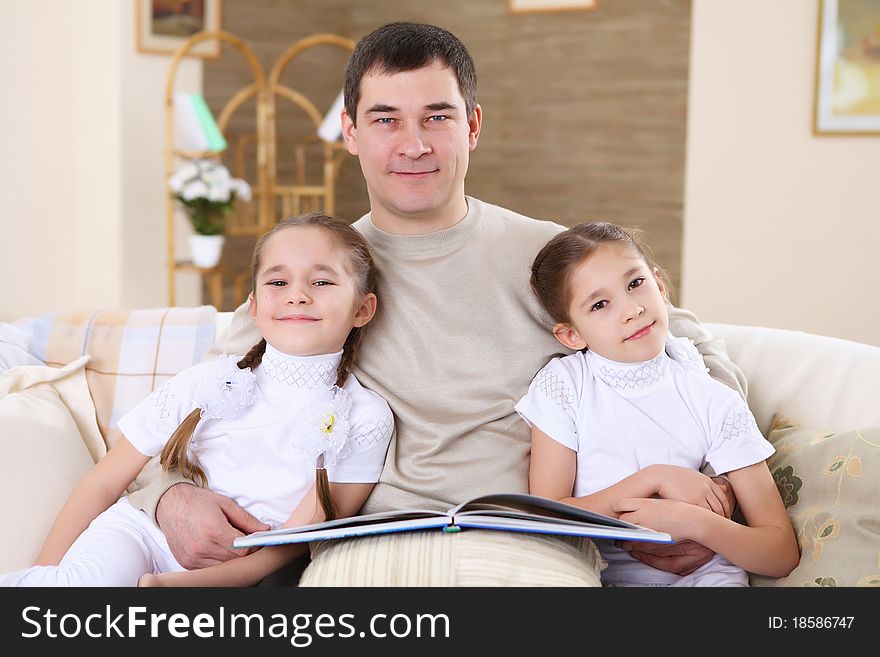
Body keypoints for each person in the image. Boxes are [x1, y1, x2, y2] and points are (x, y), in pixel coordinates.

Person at [129, 22, 749, 586]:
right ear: (350, 131)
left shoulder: (548, 254)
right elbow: (191, 405)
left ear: (472, 126)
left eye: (436, 117)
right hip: (360, 547)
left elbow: (690, 347)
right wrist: (168, 497)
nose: (414, 144)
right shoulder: (317, 278)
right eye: (385, 119)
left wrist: (719, 496)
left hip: (529, 540)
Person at [2, 213, 393, 587]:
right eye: (277, 283)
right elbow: (104, 482)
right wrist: (43, 575)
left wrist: (175, 586)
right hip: (139, 534)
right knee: (90, 586)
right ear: (253, 307)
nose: (298, 296)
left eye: (322, 282)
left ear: (363, 308)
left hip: (228, 574)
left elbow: (287, 548)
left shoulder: (364, 417)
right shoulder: (205, 382)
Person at [517, 222, 799, 586]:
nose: (632, 309)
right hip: (598, 576)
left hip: (705, 578)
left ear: (659, 285)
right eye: (600, 304)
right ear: (571, 334)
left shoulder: (713, 401)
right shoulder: (564, 387)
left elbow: (780, 553)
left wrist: (696, 524)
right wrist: (655, 478)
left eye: (635, 284)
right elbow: (548, 517)